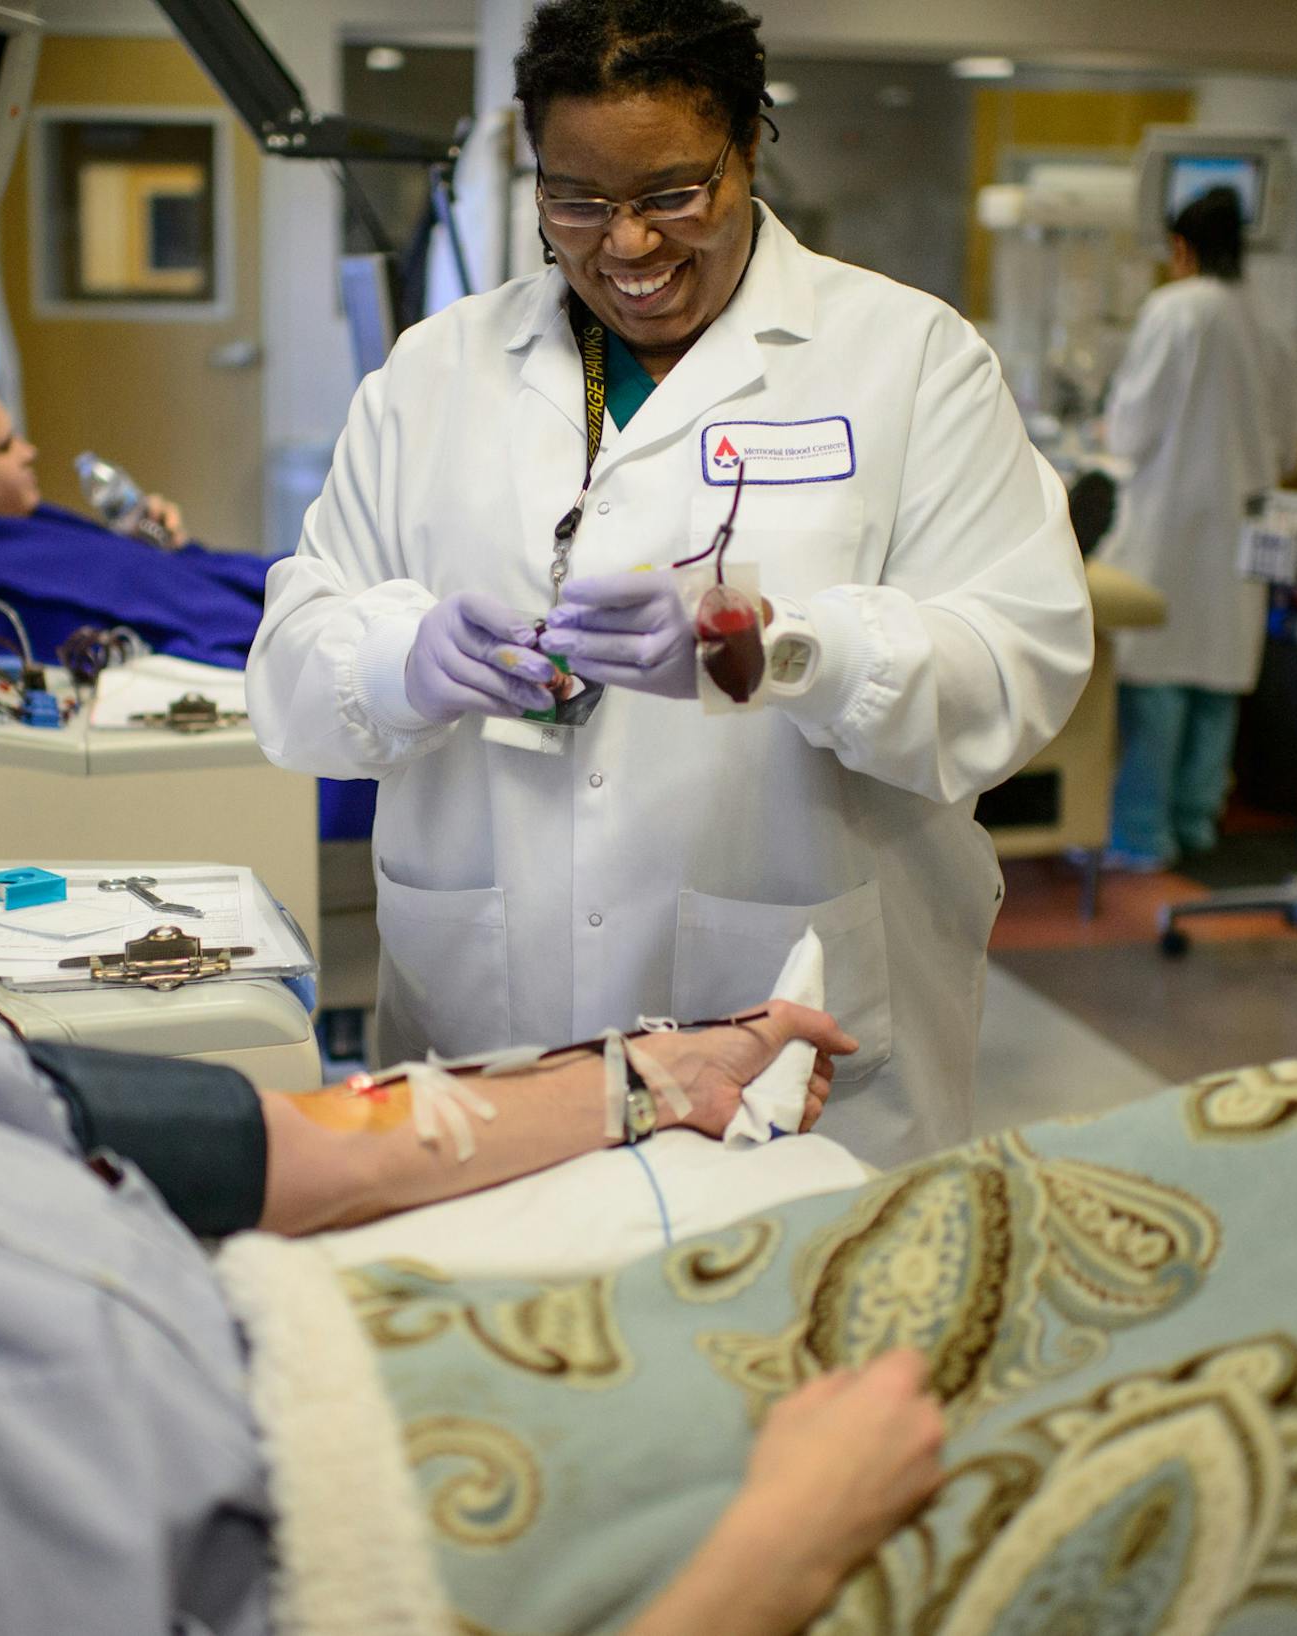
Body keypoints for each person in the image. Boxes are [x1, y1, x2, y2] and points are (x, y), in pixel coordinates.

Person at [0, 526, 1297, 1636]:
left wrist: (670, 1073)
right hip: (466, 1535)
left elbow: (287, 1143)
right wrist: (771, 1548)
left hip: (419, 1358)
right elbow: (311, 649)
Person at [246, 0, 1093, 1169]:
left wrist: (787, 650)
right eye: (577, 203)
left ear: (749, 148)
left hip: (796, 1049)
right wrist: (405, 659)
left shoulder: (911, 361)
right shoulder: (434, 371)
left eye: (672, 197)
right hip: (487, 1048)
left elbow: (1018, 667)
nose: (627, 246)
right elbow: (289, 670)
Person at [1094, 186, 1297, 871]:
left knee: (1156, 680)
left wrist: (1110, 432)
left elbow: (1132, 425)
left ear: (1180, 249)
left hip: (1169, 525)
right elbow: (1290, 443)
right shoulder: (1267, 322)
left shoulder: (1175, 309)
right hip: (1241, 527)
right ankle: (1196, 825)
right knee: (1217, 679)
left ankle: (1142, 837)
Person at [0, 370, 277, 670]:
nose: (29, 451)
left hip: (255, 602)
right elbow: (151, 645)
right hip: (259, 648)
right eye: (5, 447)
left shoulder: (18, 530)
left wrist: (168, 548)